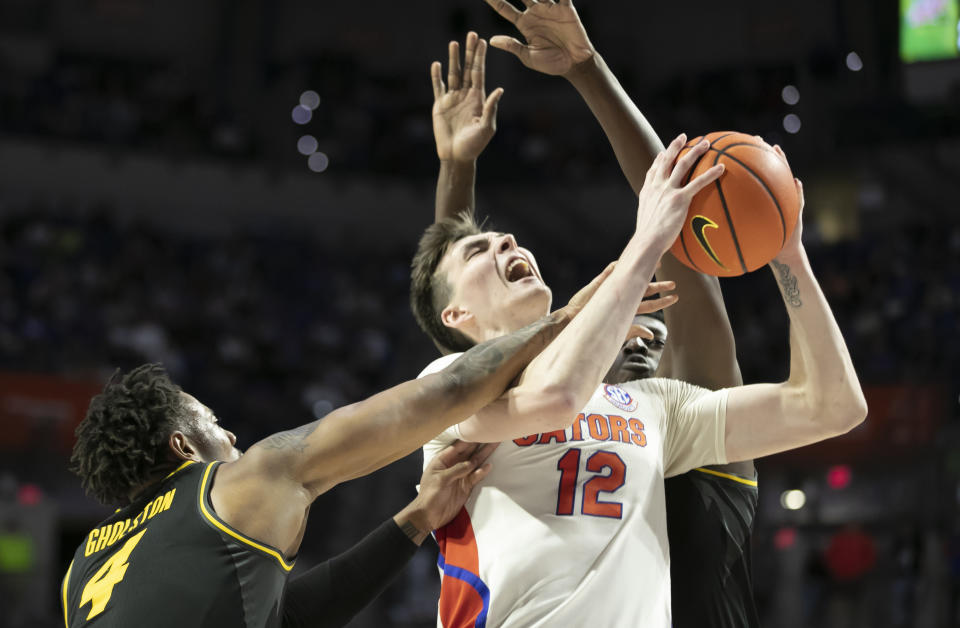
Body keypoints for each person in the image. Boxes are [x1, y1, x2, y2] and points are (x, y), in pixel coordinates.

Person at [410, 19, 865, 628]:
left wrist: (787, 249)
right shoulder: (477, 395)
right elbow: (471, 327)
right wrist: (458, 171)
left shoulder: (662, 411)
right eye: (634, 324)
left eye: (654, 325)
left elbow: (828, 403)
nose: (645, 338)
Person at [59, 290, 602, 628]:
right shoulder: (237, 483)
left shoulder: (81, 569)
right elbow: (447, 391)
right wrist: (566, 320)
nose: (231, 437)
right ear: (183, 446)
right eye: (215, 425)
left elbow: (287, 620)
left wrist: (416, 520)